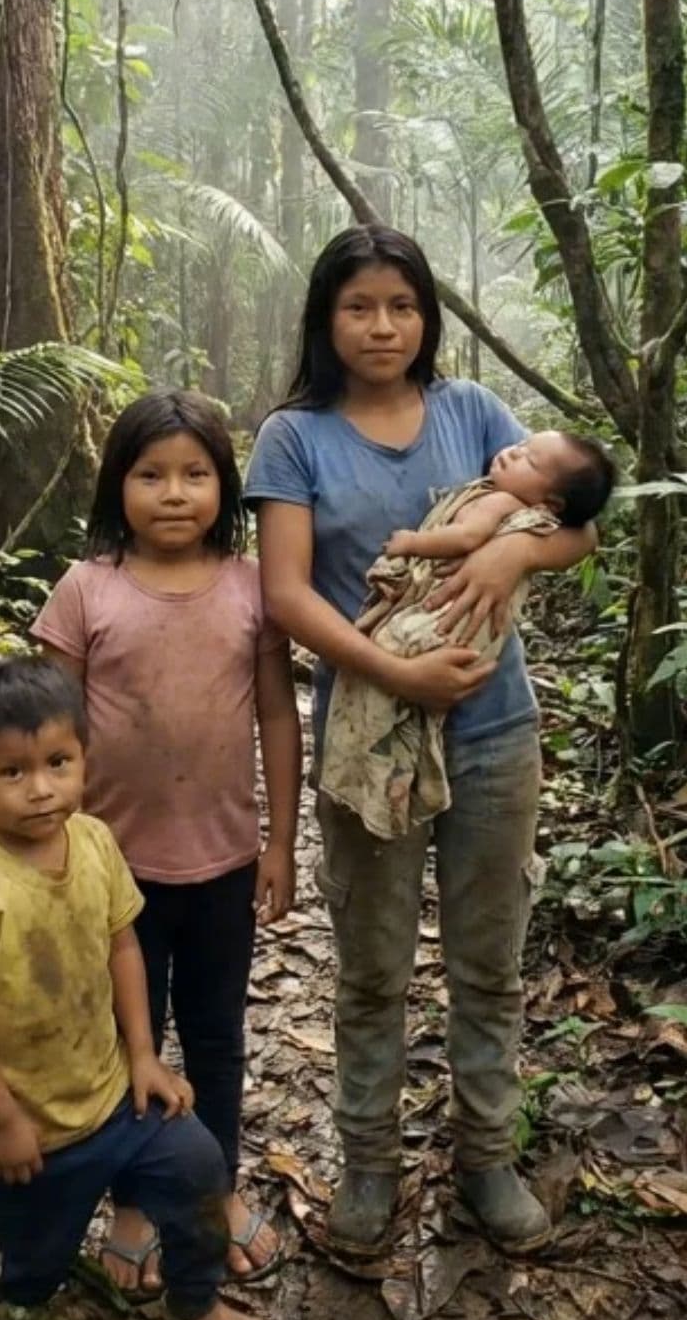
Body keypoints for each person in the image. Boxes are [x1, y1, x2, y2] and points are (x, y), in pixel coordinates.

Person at [246, 226, 600, 1257]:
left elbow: (578, 519)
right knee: (373, 968)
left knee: (489, 962)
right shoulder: (293, 437)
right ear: (326, 319)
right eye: (360, 306)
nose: (383, 326)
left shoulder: (475, 411)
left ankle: (487, 1161)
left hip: (494, 733)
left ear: (427, 317)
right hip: (367, 740)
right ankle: (369, 1168)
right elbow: (285, 594)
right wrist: (396, 672)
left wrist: (511, 561)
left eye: (402, 306)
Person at [31, 390, 301, 1300]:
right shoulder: (87, 589)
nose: (175, 493)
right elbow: (51, 733)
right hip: (113, 878)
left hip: (223, 863)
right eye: (151, 474)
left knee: (216, 1037)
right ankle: (135, 1204)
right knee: (122, 1041)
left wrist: (280, 843)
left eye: (195, 474)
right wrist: (51, 857)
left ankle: (215, 1191)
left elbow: (276, 714)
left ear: (224, 486)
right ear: (118, 483)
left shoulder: (250, 585)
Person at [0, 655, 265, 1320]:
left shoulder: (96, 841)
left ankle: (194, 1302)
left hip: (112, 1097)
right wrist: (2, 1120)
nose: (41, 789)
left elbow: (123, 948)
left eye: (58, 762)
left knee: (199, 1169)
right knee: (29, 1272)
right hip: (28, 1125)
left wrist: (144, 1056)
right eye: (12, 772)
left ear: (84, 756)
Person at [322, 431, 616, 841]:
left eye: (528, 459)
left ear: (551, 503)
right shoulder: (514, 492)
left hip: (482, 708)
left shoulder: (500, 499)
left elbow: (468, 537)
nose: (511, 452)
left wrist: (413, 542)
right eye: (520, 447)